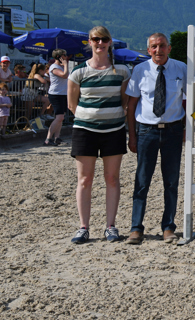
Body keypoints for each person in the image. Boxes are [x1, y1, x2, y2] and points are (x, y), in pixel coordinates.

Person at [66, 26, 131, 244]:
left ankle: (110, 225)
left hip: (114, 130)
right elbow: (71, 105)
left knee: (112, 179)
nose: (100, 43)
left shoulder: (122, 71)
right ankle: (84, 227)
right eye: (96, 39)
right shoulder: (78, 73)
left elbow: (124, 101)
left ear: (110, 42)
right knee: (85, 179)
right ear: (90, 42)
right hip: (85, 131)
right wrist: (90, 118)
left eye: (104, 39)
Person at [125, 33, 187, 245]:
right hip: (146, 131)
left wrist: (186, 131)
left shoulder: (181, 69)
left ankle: (168, 227)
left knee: (171, 181)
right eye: (154, 47)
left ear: (169, 48)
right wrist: (132, 135)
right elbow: (131, 105)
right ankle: (136, 228)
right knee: (142, 181)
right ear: (148, 50)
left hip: (173, 130)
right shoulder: (140, 70)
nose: (158, 50)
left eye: (162, 46)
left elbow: (187, 102)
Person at [46, 49, 70, 146]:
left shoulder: (61, 66)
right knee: (59, 117)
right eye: (64, 55)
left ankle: (57, 137)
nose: (66, 57)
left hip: (63, 94)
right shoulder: (54, 67)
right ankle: (48, 138)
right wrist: (66, 64)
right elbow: (64, 75)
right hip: (56, 94)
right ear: (59, 57)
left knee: (61, 117)